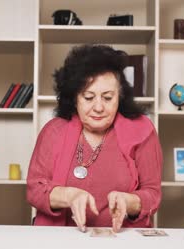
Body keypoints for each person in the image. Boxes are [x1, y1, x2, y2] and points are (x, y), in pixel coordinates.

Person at [26, 44, 162, 232]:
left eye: (107, 98)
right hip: (61, 241)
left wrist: (129, 201)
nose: (98, 107)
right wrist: (69, 196)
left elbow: (153, 194)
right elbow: (34, 190)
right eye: (89, 97)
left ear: (120, 97)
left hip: (122, 240)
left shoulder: (143, 131)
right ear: (74, 98)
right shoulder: (53, 132)